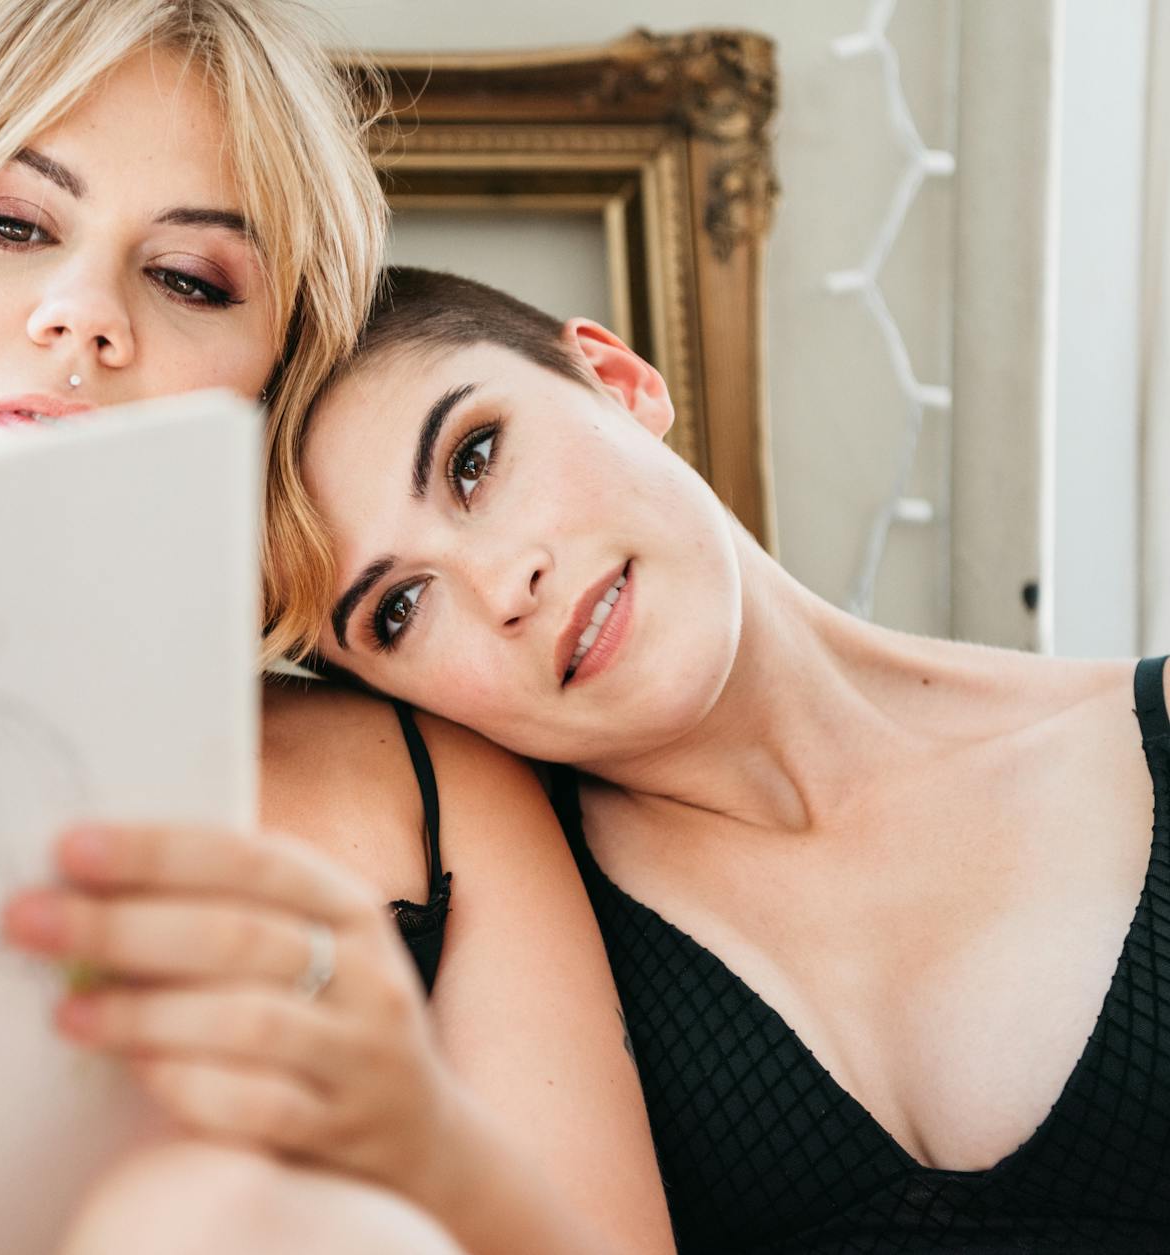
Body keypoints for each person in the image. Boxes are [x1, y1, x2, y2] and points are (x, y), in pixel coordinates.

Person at [0, 4, 672, 1251]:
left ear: (272, 383)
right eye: (10, 223)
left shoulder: (436, 793)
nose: (82, 315)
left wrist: (413, 1145)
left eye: (187, 278)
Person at [266, 264, 1170, 1251]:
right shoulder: (502, 962)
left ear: (618, 378)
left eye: (473, 457)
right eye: (398, 608)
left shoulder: (1145, 735)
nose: (501, 583)